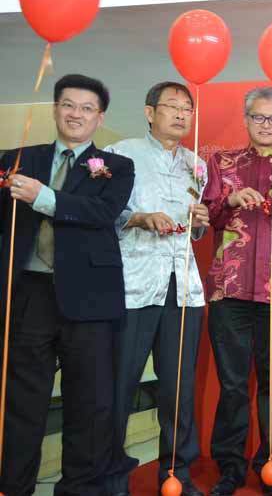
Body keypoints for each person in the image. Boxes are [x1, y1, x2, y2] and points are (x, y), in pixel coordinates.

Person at [0, 74, 135, 496]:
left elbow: (101, 212)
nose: (76, 114)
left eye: (86, 108)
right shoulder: (17, 158)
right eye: (68, 105)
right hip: (29, 294)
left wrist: (42, 196)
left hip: (90, 300)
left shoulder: (116, 167)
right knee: (23, 400)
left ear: (99, 118)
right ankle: (13, 486)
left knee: (89, 403)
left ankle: (79, 489)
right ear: (55, 109)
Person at [202, 87, 272, 496]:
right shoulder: (222, 162)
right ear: (247, 119)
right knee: (232, 384)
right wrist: (230, 198)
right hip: (229, 290)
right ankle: (229, 468)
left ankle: (271, 463)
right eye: (259, 117)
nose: (267, 125)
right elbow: (209, 217)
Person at [104, 81, 210, 496]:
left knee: (178, 389)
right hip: (133, 287)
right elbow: (104, 214)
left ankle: (176, 476)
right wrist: (139, 217)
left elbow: (194, 232)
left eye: (187, 108)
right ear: (150, 112)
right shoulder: (121, 154)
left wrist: (199, 221)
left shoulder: (196, 165)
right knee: (120, 385)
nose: (182, 114)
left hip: (182, 289)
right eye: (172, 106)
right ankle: (111, 478)